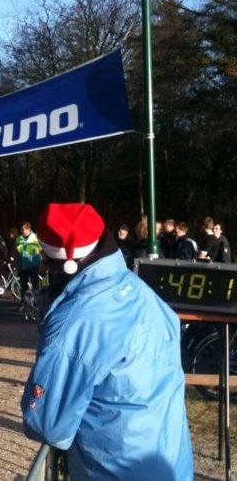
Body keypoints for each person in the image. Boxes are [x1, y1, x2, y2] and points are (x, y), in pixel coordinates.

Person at [21, 203, 193, 480]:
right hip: (171, 462)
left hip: (115, 470)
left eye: (44, 256)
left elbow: (47, 425)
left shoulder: (76, 322)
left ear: (63, 261)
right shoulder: (140, 290)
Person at [15, 222, 42, 309]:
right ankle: (23, 303)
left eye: (24, 229)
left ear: (29, 229)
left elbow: (42, 250)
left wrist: (42, 263)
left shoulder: (36, 237)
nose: (22, 231)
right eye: (21, 230)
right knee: (23, 286)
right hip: (23, 265)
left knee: (35, 285)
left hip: (34, 265)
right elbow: (18, 252)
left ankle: (36, 302)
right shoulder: (19, 239)